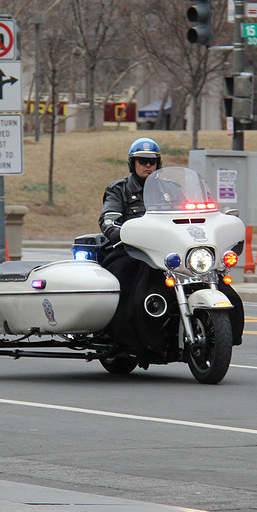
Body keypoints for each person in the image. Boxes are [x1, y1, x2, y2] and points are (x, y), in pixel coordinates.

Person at [99, 138, 163, 360]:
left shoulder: (170, 189)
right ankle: (123, 341)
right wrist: (116, 231)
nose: (148, 165)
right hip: (131, 250)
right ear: (132, 163)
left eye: (152, 161)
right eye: (142, 161)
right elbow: (109, 218)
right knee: (124, 279)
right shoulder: (120, 189)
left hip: (166, 251)